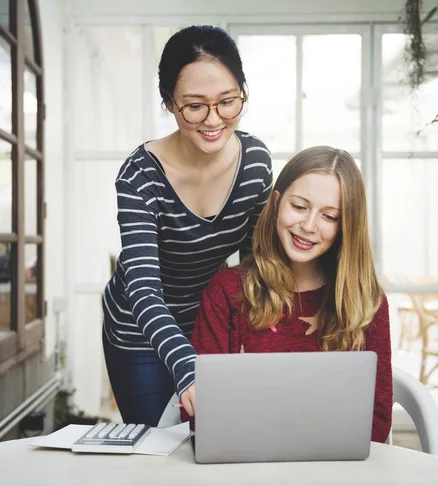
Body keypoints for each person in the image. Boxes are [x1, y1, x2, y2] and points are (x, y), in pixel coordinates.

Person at [102, 25, 273, 426]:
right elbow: (143, 288)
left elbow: (256, 265)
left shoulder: (255, 164)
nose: (214, 120)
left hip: (209, 324)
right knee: (155, 447)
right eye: (194, 106)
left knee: (214, 444)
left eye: (228, 102)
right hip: (138, 332)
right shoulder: (139, 177)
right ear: (168, 103)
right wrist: (186, 365)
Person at [184, 146, 392, 443]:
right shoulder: (226, 293)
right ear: (277, 203)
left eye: (330, 216)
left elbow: (377, 421)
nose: (308, 226)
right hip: (245, 468)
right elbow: (196, 413)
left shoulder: (366, 301)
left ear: (346, 226)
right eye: (299, 206)